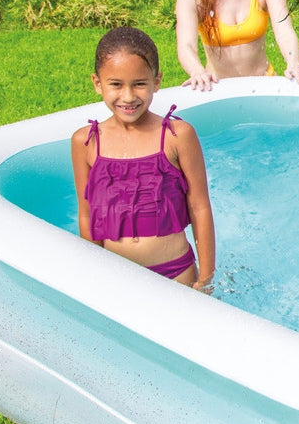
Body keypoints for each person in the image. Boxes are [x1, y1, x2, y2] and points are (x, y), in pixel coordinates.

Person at [71, 27, 216, 290]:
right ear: (97, 83)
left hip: (175, 272)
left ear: (156, 82)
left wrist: (205, 278)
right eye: (116, 84)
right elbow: (87, 214)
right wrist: (92, 276)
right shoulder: (86, 141)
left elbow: (200, 208)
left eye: (139, 84)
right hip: (115, 275)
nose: (128, 97)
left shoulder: (176, 135)